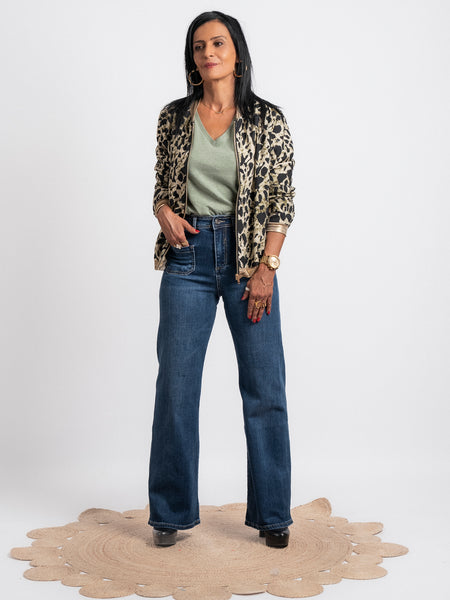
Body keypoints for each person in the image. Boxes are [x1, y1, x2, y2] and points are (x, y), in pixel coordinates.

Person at [148, 10, 296, 549]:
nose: (208, 53)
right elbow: (161, 187)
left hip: (248, 261)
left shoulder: (266, 119)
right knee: (176, 388)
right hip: (187, 259)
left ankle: (273, 514)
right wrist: (163, 212)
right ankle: (170, 513)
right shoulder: (173, 117)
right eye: (199, 46)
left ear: (237, 54)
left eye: (218, 43)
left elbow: (281, 199)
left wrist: (267, 268)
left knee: (265, 389)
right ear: (193, 59)